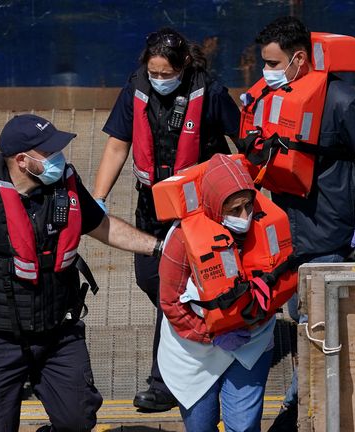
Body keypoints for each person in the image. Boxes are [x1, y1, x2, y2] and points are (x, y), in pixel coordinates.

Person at [0, 114, 163, 432]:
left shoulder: (65, 188)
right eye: (50, 153)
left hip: (58, 334)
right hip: (1, 338)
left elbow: (102, 226)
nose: (60, 158)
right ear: (22, 160)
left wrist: (159, 248)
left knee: (77, 421)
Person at [243, 17, 355, 430]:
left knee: (316, 336)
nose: (266, 71)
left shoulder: (344, 102)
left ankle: (294, 416)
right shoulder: (275, 99)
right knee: (307, 328)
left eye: (273, 63)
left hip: (329, 236)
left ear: (299, 59)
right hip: (288, 238)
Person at [92, 27, 241, 412]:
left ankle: (166, 382)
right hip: (154, 207)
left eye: (165, 74)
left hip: (200, 211)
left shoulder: (210, 92)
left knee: (172, 293)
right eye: (153, 73)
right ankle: (196, 351)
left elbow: (242, 141)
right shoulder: (135, 90)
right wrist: (100, 198)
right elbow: (117, 143)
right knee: (153, 282)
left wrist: (243, 199)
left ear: (183, 66)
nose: (159, 80)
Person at [157, 154, 296, 431]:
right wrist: (210, 334)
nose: (244, 217)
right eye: (235, 210)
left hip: (251, 340)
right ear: (214, 207)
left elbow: (278, 283)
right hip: (194, 350)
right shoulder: (182, 238)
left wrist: (252, 321)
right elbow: (170, 302)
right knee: (201, 425)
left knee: (244, 427)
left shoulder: (263, 227)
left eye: (248, 206)